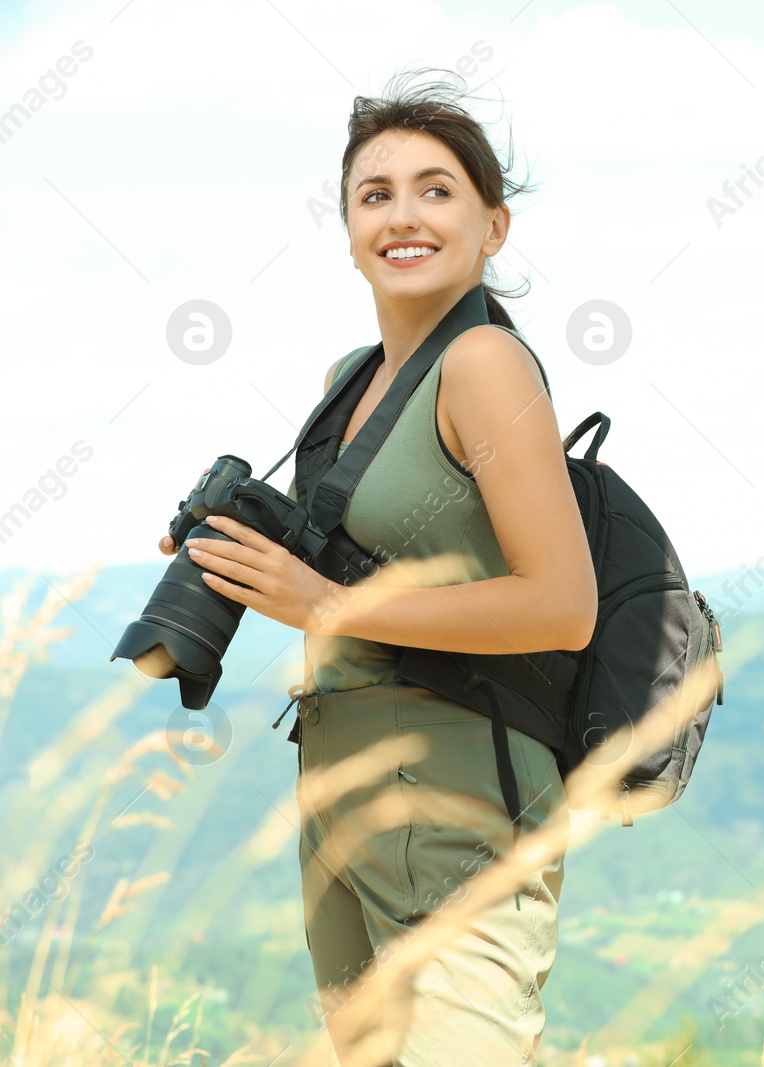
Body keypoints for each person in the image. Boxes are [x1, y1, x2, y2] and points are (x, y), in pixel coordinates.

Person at [155, 70, 596, 1064]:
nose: (404, 214)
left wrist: (331, 603)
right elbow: (358, 550)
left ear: (494, 227)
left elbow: (562, 604)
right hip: (337, 776)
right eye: (376, 192)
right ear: (348, 225)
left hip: (457, 799)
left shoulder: (484, 364)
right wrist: (226, 546)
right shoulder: (348, 379)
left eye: (437, 190)